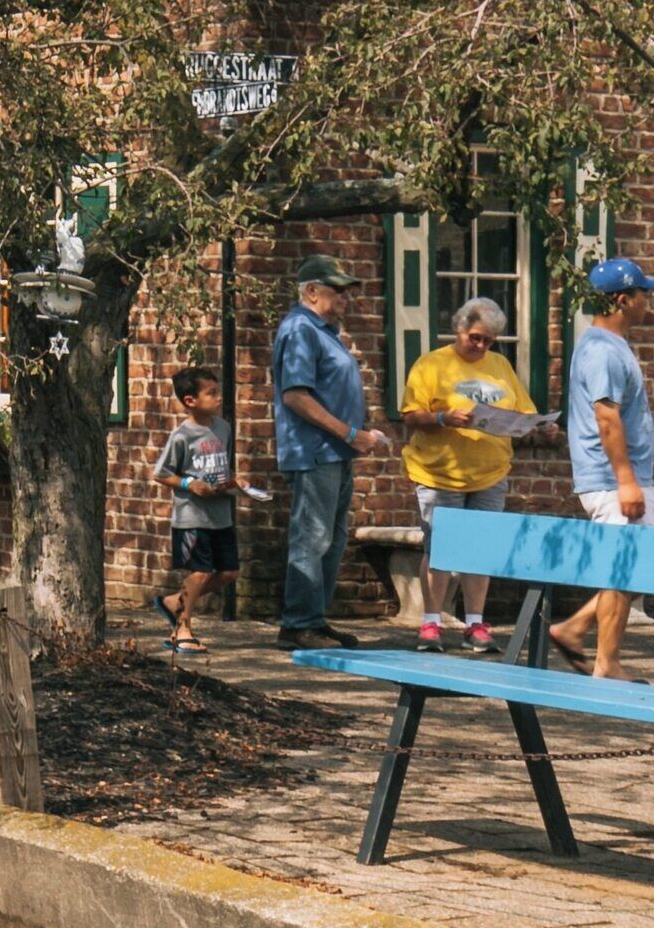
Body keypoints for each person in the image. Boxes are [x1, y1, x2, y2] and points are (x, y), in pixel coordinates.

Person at [269, 255, 391, 651]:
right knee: (313, 538)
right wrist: (351, 433)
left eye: (347, 290)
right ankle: (299, 622)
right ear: (311, 291)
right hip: (315, 452)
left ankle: (314, 621)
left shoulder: (324, 331)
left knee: (332, 539)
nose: (346, 297)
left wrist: (353, 436)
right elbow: (296, 397)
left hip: (334, 453)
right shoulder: (301, 329)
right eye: (337, 290)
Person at [399, 296, 534, 651]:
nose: (481, 345)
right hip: (440, 473)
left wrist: (538, 428)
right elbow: (411, 415)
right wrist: (443, 418)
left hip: (490, 472)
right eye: (475, 337)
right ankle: (431, 621)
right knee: (440, 546)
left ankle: (475, 623)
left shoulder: (501, 366)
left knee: (479, 548)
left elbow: (522, 412)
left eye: (489, 340)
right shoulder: (431, 365)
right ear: (458, 329)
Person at [550, 256, 654, 677]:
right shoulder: (601, 351)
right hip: (614, 483)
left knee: (637, 565)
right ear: (622, 299)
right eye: (643, 294)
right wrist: (626, 482)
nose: (648, 301)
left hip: (630, 480)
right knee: (625, 565)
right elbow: (606, 417)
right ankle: (606, 663)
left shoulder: (611, 346)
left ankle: (573, 630)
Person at [150, 366, 238, 655]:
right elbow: (161, 473)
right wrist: (189, 483)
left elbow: (220, 467)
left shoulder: (223, 428)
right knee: (199, 572)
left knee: (228, 573)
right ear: (190, 400)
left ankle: (174, 601)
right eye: (211, 393)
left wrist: (233, 483)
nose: (218, 398)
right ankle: (182, 628)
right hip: (192, 516)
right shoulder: (182, 436)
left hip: (221, 515)